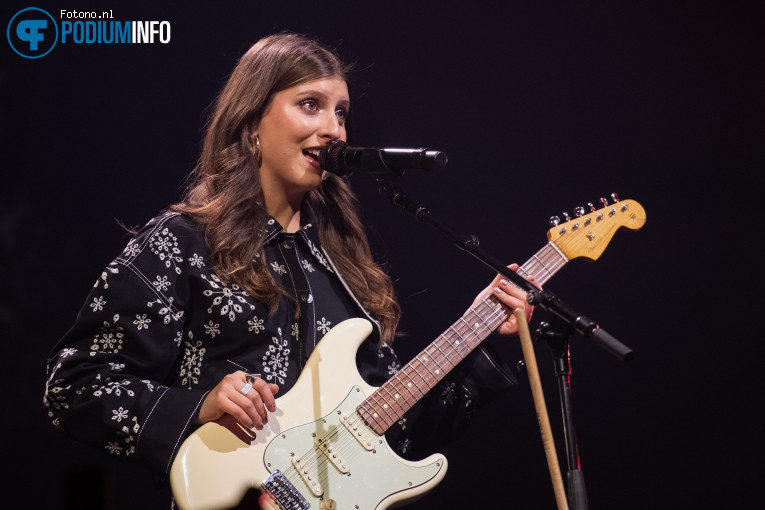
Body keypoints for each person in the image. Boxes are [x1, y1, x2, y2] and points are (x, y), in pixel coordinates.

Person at [44, 33, 536, 506]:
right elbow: (76, 385)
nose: (334, 129)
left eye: (341, 112)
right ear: (252, 120)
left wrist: (481, 331)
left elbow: (398, 432)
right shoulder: (184, 241)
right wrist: (202, 406)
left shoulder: (342, 262)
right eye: (310, 105)